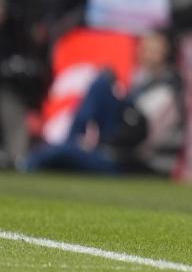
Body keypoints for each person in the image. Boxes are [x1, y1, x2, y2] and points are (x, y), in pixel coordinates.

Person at [22, 28, 183, 175]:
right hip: (115, 149)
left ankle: (27, 163)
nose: (147, 54)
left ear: (166, 54)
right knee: (102, 82)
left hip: (134, 162)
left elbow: (137, 136)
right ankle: (71, 140)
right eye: (145, 48)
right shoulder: (138, 79)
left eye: (155, 50)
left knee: (64, 153)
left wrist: (119, 105)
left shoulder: (166, 91)